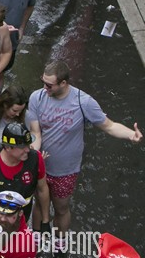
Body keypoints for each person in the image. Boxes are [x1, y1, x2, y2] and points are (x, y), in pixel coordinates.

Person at [27, 60, 142, 242]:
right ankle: (35, 241)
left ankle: (59, 243)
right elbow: (35, 133)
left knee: (61, 208)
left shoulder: (83, 102)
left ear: (63, 83)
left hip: (65, 170)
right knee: (39, 205)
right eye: (43, 82)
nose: (44, 88)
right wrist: (33, 156)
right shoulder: (37, 98)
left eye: (49, 85)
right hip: (41, 166)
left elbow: (109, 126)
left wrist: (130, 135)